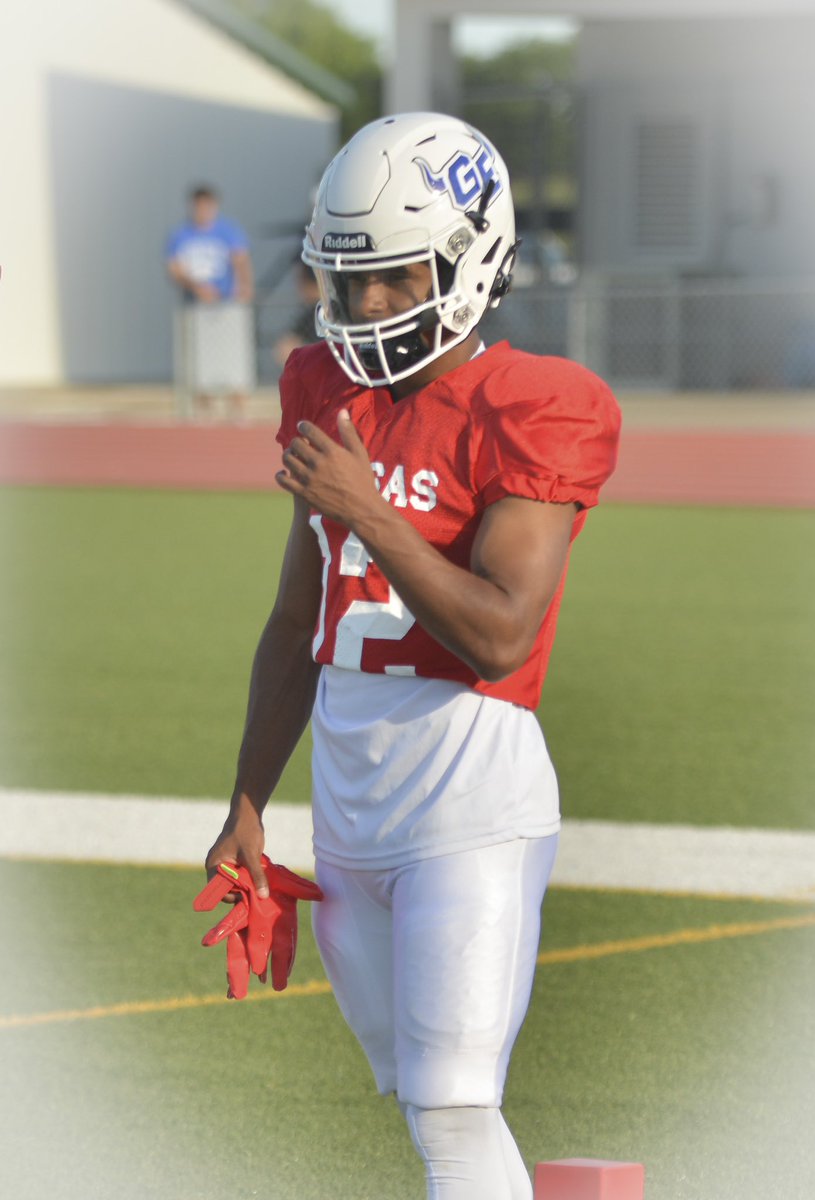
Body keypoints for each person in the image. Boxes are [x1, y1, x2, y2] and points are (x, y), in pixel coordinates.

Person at [204, 112, 621, 1200]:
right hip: (349, 810)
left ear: (469, 258)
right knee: (428, 1112)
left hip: (468, 798)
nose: (371, 307)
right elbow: (297, 618)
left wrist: (369, 512)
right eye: (352, 284)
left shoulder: (530, 404)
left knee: (451, 1107)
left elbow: (497, 633)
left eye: (395, 278)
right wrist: (248, 798)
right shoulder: (321, 389)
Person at [166, 185, 256, 421]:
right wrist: (198, 287)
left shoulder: (227, 231)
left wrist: (244, 285)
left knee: (233, 359)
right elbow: (174, 267)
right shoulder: (181, 235)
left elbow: (240, 259)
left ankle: (237, 407)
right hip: (196, 307)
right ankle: (204, 409)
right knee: (200, 363)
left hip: (227, 304)